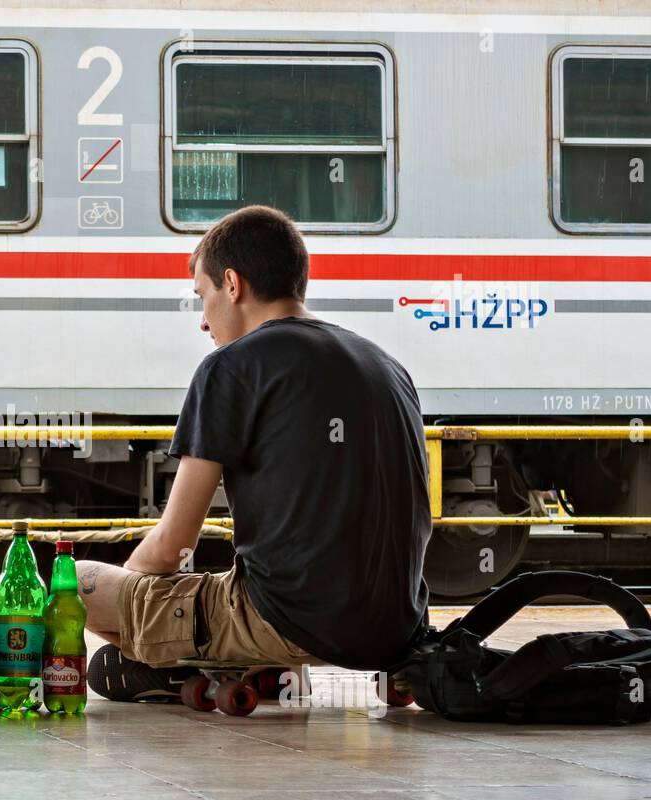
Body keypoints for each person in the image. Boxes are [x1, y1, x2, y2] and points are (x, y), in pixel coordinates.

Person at [80, 205, 432, 701]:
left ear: (232, 283)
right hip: (396, 630)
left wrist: (137, 608)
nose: (203, 320)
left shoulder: (231, 367)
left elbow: (172, 544)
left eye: (201, 296)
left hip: (284, 622)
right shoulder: (389, 367)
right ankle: (242, 662)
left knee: (75, 583)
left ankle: (183, 664)